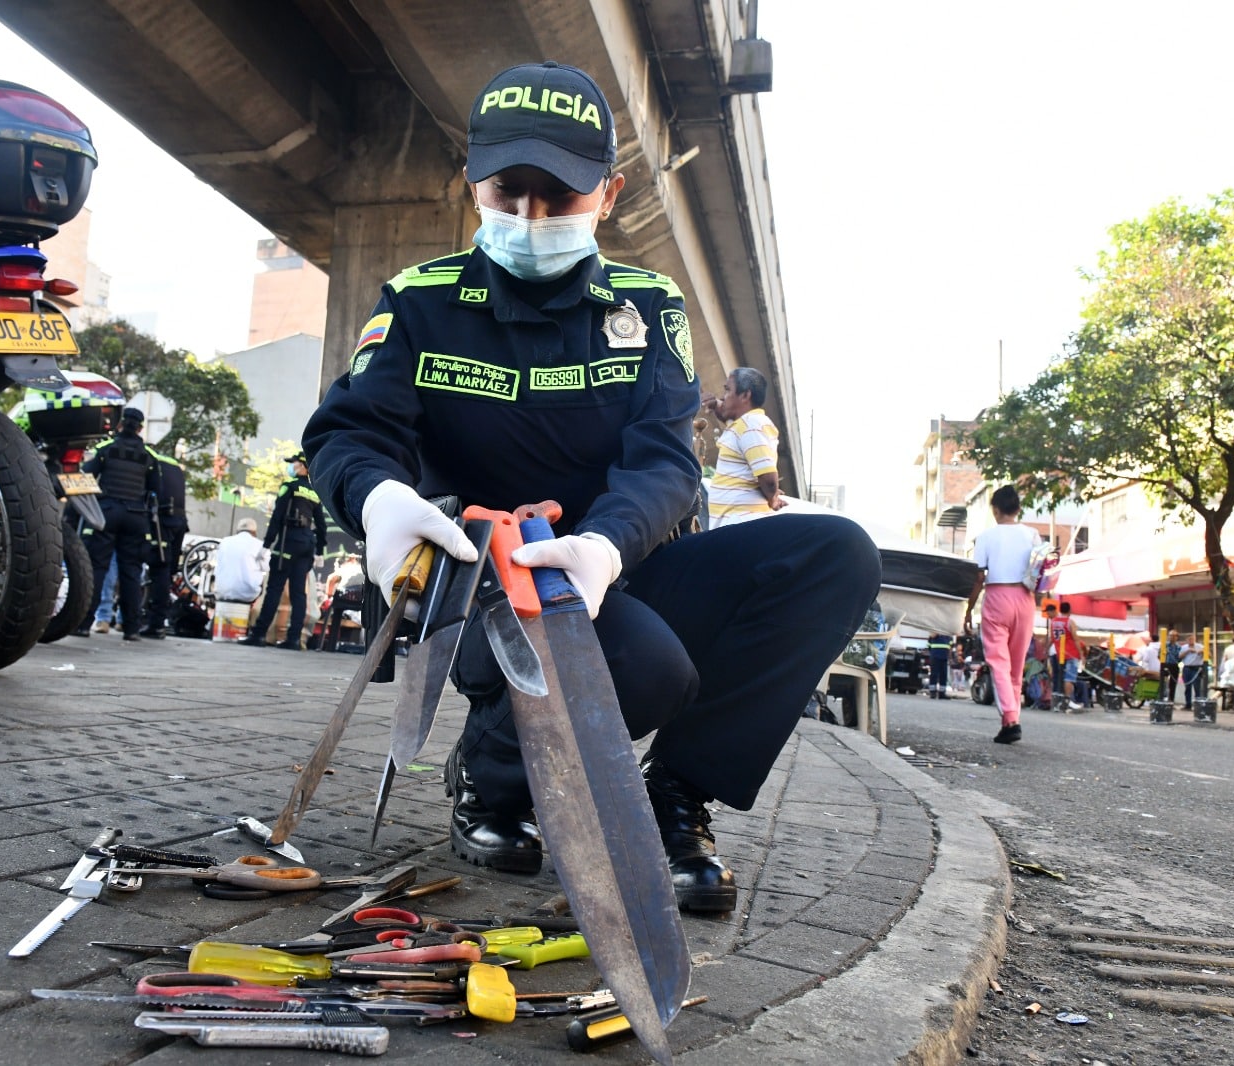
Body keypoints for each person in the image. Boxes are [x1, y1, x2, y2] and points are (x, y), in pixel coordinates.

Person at [300, 60, 879, 913]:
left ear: (608, 196)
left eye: (559, 197)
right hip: (484, 580)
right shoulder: (421, 303)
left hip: (613, 560)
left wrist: (605, 546)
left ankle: (675, 796)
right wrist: (379, 501)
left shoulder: (648, 308)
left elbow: (664, 462)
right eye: (509, 193)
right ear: (472, 183)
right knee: (641, 667)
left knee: (835, 554)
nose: (531, 219)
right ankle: (490, 780)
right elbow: (350, 431)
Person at [963, 484, 1042, 743]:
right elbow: (1039, 573)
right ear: (1018, 508)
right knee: (1016, 666)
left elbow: (978, 577)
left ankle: (1010, 717)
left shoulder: (985, 537)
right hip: (1025, 599)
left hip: (997, 596)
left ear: (995, 510)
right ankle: (1011, 719)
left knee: (999, 662)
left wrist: (968, 609)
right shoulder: (1032, 535)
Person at [78, 407, 157, 642]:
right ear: (140, 428)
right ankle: (131, 629)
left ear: (120, 424)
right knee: (131, 573)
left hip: (107, 514)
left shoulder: (105, 449)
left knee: (98, 568)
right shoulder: (149, 456)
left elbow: (84, 477)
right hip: (135, 517)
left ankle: (84, 624)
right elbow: (156, 491)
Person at [243, 451, 328, 650]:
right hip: (307, 544)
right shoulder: (314, 492)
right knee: (299, 593)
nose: (292, 467)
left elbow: (277, 517)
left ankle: (259, 635)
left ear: (303, 466)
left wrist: (266, 544)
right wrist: (320, 550)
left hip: (287, 542)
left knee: (274, 589)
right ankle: (294, 640)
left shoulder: (288, 487)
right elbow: (321, 524)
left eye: (295, 464)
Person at [703, 367, 786, 528]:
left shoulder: (751, 425)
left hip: (739, 524)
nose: (723, 397)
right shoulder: (744, 424)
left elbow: (768, 478)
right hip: (735, 526)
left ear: (745, 395)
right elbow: (724, 411)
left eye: (727, 390)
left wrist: (773, 499)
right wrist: (715, 405)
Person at [139, 448, 188, 639]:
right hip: (179, 522)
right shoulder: (173, 465)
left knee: (158, 571)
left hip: (163, 523)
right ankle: (157, 621)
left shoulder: (151, 462)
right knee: (167, 573)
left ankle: (155, 624)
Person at [213, 517, 271, 610]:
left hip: (222, 592)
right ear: (254, 532)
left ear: (237, 531)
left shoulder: (224, 542)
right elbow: (267, 567)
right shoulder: (260, 545)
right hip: (248, 594)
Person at [1178, 633, 1207, 709]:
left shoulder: (1200, 646)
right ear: (1186, 640)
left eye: (1192, 639)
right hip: (1187, 667)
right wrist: (1188, 651)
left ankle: (1198, 704)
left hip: (1196, 667)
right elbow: (1179, 657)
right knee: (1187, 687)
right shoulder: (1184, 647)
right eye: (1189, 639)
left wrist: (1202, 652)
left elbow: (1208, 655)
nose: (1191, 641)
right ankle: (1188, 704)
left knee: (1197, 687)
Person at [925, 632, 952, 699]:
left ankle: (942, 693)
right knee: (934, 674)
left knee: (943, 675)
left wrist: (950, 657)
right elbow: (929, 645)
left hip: (944, 657)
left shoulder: (948, 636)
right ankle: (932, 692)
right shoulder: (934, 634)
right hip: (935, 657)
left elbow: (950, 647)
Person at [1160, 628, 1183, 701]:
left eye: (1174, 636)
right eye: (1170, 635)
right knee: (1162, 681)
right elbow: (1159, 655)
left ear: (1177, 637)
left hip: (1174, 665)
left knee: (1173, 684)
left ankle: (1171, 699)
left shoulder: (1178, 647)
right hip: (1165, 664)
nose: (1172, 637)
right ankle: (1161, 697)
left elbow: (1180, 658)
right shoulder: (1164, 645)